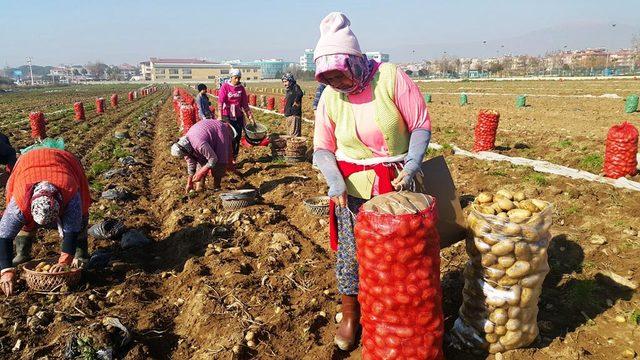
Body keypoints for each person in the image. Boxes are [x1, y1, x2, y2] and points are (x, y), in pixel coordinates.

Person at [311, 12, 432, 351]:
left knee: (402, 255)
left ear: (355, 61)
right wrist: (334, 182)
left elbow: (420, 123)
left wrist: (411, 166)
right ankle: (352, 316)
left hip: (397, 186)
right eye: (330, 78)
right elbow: (322, 148)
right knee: (351, 254)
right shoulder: (330, 97)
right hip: (352, 190)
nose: (338, 83)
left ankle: (402, 315)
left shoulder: (391, 78)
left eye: (341, 75)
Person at [0, 148, 92, 296]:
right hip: (27, 163)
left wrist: (64, 262)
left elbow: (71, 230)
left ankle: (81, 254)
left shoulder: (70, 195)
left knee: (80, 219)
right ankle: (23, 253)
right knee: (23, 221)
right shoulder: (19, 203)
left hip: (64, 161)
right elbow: (4, 235)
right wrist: (5, 270)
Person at [170, 118, 233, 193]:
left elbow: (213, 159)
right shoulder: (184, 147)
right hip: (205, 135)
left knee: (219, 160)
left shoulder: (199, 144)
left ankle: (217, 187)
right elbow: (191, 164)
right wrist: (189, 182)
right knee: (200, 164)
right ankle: (200, 190)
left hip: (219, 131)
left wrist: (201, 172)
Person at [218, 69, 255, 158]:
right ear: (231, 77)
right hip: (227, 115)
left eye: (239, 78)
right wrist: (220, 116)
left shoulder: (241, 88)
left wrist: (250, 117)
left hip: (238, 115)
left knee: (237, 137)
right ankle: (226, 156)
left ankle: (234, 157)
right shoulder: (225, 87)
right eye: (236, 78)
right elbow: (220, 102)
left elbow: (245, 104)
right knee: (229, 136)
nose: (237, 80)